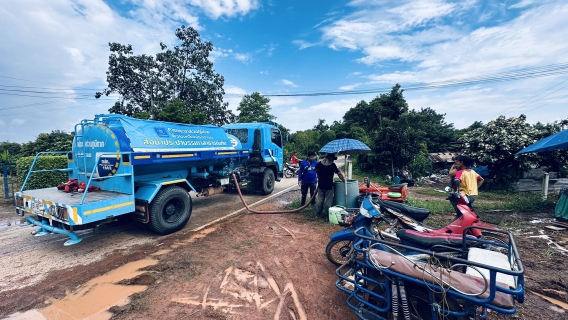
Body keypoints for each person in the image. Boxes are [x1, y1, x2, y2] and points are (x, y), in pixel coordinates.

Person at [314, 153, 346, 220]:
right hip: (329, 186)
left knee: (320, 200)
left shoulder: (320, 163)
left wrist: (320, 172)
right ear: (331, 158)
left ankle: (317, 215)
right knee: (328, 202)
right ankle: (328, 216)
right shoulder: (332, 165)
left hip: (321, 185)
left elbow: (315, 169)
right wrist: (344, 181)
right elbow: (339, 174)